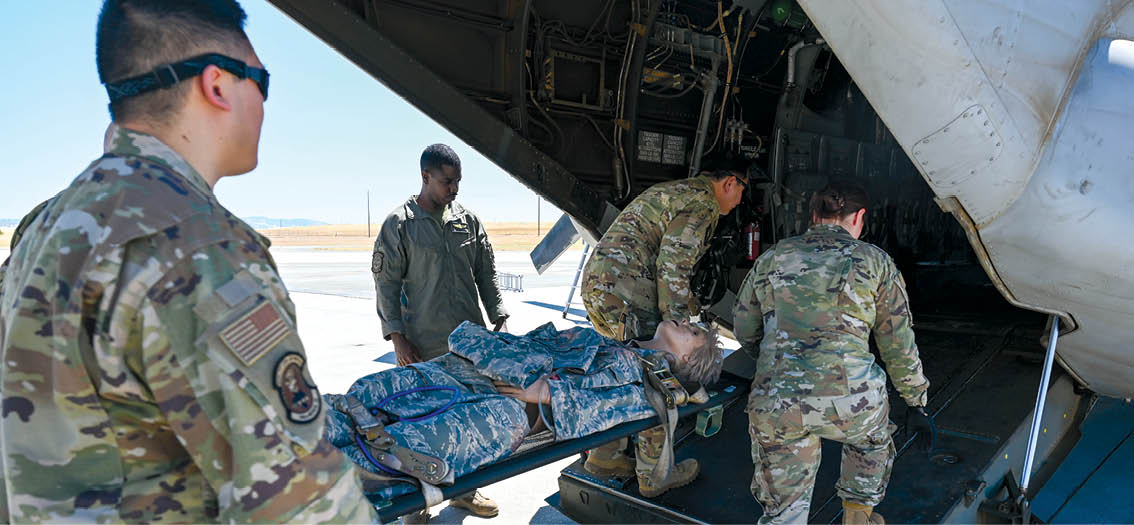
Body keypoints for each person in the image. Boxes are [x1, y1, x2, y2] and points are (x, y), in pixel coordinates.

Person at [0, 1, 375, 522]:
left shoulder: (49, 228)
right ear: (217, 84)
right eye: (262, 82)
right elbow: (299, 501)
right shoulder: (196, 247)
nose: (265, 103)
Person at [323, 319, 723, 505]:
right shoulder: (617, 345)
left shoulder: (646, 382)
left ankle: (302, 483)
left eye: (693, 331)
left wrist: (546, 393)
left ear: (686, 357)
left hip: (504, 409)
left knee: (389, 456)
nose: (685, 322)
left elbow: (610, 410)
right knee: (359, 401)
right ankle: (283, 434)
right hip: (468, 368)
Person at [732, 181, 934, 524]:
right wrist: (916, 401)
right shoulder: (875, 262)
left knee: (782, 511)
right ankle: (858, 516)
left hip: (777, 404)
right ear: (859, 218)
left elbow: (744, 328)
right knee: (872, 439)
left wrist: (775, 364)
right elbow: (898, 344)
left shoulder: (773, 257)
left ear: (814, 216)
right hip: (851, 403)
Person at [579, 156, 748, 495]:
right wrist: (678, 324)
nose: (739, 201)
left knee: (624, 372)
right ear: (730, 183)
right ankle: (655, 474)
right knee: (658, 376)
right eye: (742, 192)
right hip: (628, 289)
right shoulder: (703, 203)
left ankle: (605, 455)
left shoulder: (677, 192)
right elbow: (673, 266)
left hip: (603, 284)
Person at [371, 144, 508, 517]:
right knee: (420, 427)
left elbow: (486, 273)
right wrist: (396, 336)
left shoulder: (468, 220)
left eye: (458, 181)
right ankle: (416, 506)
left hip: (468, 342)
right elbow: (385, 284)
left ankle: (467, 489)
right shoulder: (399, 225)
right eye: (448, 181)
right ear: (425, 177)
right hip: (421, 345)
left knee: (472, 418)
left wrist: (499, 316)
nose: (455, 189)